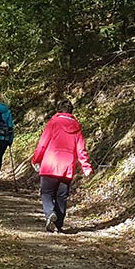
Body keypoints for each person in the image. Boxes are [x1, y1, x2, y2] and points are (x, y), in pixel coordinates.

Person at [31, 100, 93, 233]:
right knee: (61, 196)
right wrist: (86, 167)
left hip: (50, 164)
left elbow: (43, 143)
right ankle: (58, 224)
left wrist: (36, 159)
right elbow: (81, 149)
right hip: (67, 166)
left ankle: (49, 214)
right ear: (71, 112)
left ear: (58, 110)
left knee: (46, 193)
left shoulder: (53, 123)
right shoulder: (76, 127)